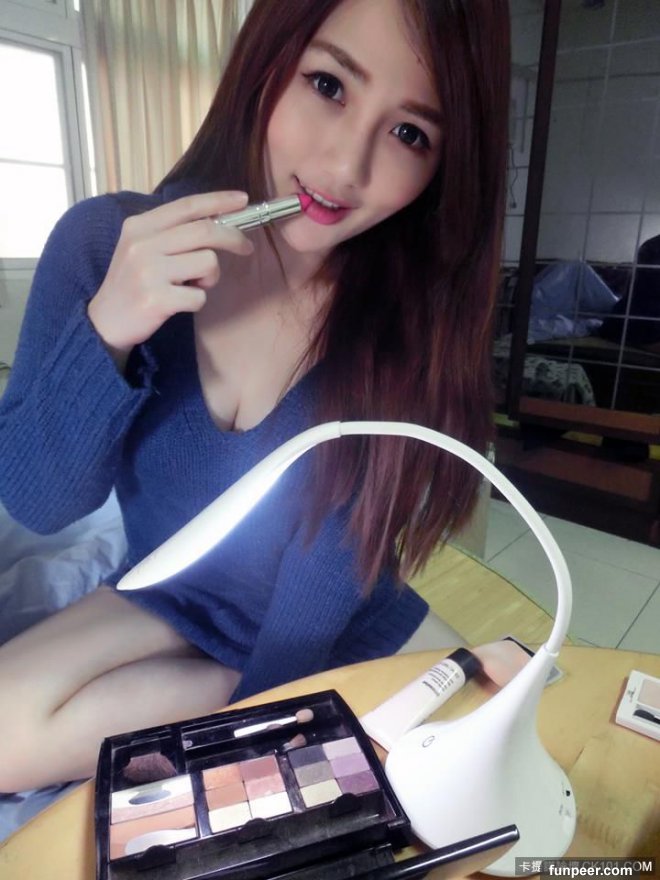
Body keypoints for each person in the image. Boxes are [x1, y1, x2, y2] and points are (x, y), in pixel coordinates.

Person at [0, 0, 510, 791]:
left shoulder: (400, 330)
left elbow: (319, 590)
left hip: (326, 625)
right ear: (267, 60)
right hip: (164, 590)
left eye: (410, 133)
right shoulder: (104, 244)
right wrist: (109, 329)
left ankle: (377, 685)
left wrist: (262, 729)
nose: (345, 167)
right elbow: (40, 502)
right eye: (328, 84)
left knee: (477, 773)